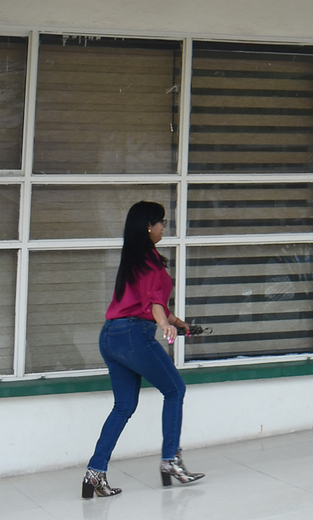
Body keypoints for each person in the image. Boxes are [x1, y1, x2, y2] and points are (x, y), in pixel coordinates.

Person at [81, 201, 205, 498]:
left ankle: (94, 473)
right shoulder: (149, 259)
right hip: (133, 335)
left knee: (124, 406)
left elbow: (148, 303)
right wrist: (164, 324)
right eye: (162, 222)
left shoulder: (133, 258)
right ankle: (171, 460)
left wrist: (180, 324)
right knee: (175, 390)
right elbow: (153, 302)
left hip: (111, 335)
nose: (164, 227)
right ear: (148, 226)